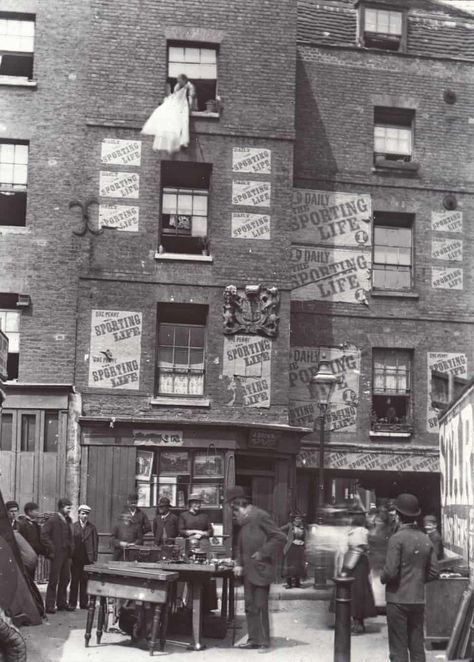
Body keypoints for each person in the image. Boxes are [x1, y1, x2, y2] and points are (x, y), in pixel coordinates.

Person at [381, 493, 439, 662]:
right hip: (418, 599)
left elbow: (390, 572)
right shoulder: (426, 539)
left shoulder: (396, 539)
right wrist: (418, 579)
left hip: (397, 600)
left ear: (398, 516)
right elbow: (434, 572)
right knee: (417, 646)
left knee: (398, 648)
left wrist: (382, 578)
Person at [226, 486, 286, 651]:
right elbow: (239, 545)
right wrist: (238, 563)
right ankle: (254, 640)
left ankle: (264, 642)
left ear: (240, 504)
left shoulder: (260, 515)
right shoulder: (243, 520)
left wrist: (262, 552)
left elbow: (280, 536)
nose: (233, 513)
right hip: (248, 570)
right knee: (249, 605)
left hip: (261, 568)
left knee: (260, 605)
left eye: (233, 508)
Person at [338, 512, 377, 634]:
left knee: (356, 592)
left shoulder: (358, 532)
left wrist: (346, 568)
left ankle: (357, 623)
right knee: (359, 591)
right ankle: (357, 622)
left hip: (356, 564)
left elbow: (357, 549)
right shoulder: (362, 531)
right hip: (360, 564)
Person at [141, 73, 194, 154]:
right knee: (168, 116)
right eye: (178, 81)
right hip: (177, 103)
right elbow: (175, 95)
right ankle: (170, 141)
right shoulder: (177, 86)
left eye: (180, 81)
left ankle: (183, 141)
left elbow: (191, 97)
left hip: (183, 105)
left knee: (184, 121)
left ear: (184, 80)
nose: (179, 82)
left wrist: (190, 106)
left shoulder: (189, 86)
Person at [41, 498, 75, 614]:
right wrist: (52, 548)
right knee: (53, 580)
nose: (70, 510)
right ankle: (50, 606)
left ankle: (61, 603)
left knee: (65, 578)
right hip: (57, 554)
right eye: (68, 507)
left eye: (70, 507)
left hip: (67, 554)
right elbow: (44, 535)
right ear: (61, 507)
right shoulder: (53, 520)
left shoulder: (69, 520)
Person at [69, 505, 98, 610]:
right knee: (74, 581)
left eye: (86, 514)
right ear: (79, 514)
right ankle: (72, 603)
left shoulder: (92, 528)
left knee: (85, 581)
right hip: (75, 558)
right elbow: (70, 542)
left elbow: (95, 543)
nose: (84, 516)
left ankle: (83, 603)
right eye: (82, 513)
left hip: (87, 558)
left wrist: (94, 558)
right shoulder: (73, 527)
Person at [17, 502, 53, 578]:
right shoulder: (21, 524)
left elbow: (39, 540)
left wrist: (46, 552)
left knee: (31, 575)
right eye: (36, 511)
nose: (38, 513)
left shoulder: (36, 525)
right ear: (29, 511)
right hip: (25, 556)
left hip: (34, 555)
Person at [280, 512, 306, 589]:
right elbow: (279, 530)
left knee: (299, 566)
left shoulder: (302, 527)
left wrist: (304, 543)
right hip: (291, 548)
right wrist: (287, 538)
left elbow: (304, 537)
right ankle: (289, 584)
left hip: (300, 548)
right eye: (297, 518)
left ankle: (297, 583)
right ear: (294, 519)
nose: (298, 520)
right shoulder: (290, 525)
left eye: (300, 519)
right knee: (290, 566)